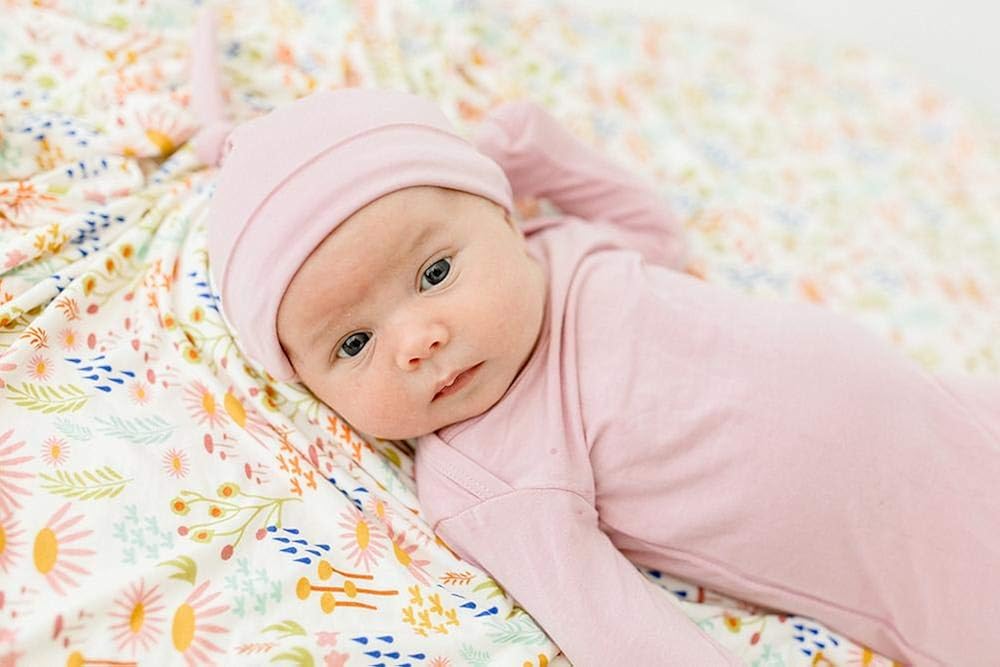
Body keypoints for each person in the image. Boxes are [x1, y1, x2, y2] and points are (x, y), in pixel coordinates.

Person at [199, 83, 1000, 665]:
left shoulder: (560, 249)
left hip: (947, 406)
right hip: (922, 558)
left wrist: (539, 151)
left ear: (504, 215)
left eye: (435, 273)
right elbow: (619, 630)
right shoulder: (487, 469)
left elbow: (656, 232)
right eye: (353, 343)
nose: (415, 340)